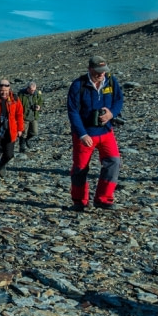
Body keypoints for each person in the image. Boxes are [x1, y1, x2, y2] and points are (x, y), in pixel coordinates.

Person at [66, 56, 124, 211]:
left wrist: (112, 114)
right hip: (85, 134)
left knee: (114, 162)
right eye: (98, 71)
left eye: (103, 71)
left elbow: (119, 100)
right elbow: (73, 112)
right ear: (89, 69)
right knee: (80, 168)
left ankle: (103, 199)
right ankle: (79, 201)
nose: (101, 74)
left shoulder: (111, 82)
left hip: (106, 131)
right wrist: (82, 134)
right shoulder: (78, 85)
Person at [17, 82, 44, 153]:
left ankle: (26, 139)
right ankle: (22, 147)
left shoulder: (37, 94)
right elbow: (18, 105)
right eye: (31, 90)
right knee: (24, 132)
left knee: (34, 132)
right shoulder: (21, 94)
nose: (33, 91)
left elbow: (40, 101)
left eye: (34, 90)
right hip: (24, 116)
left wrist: (39, 106)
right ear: (28, 88)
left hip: (34, 115)